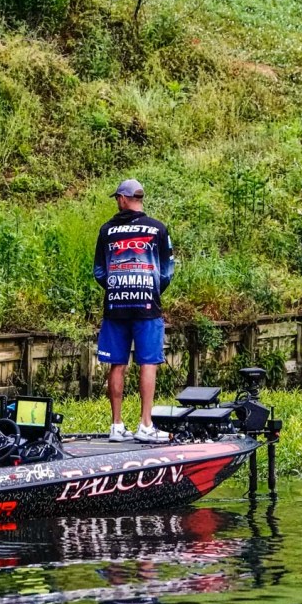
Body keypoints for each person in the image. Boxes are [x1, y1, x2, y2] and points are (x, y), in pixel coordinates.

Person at [94, 179, 175, 443]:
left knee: (118, 363)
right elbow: (167, 271)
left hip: (115, 305)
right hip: (147, 306)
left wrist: (117, 287)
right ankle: (145, 424)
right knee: (148, 362)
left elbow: (99, 272)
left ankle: (116, 425)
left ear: (122, 198)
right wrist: (149, 288)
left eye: (117, 197)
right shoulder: (158, 229)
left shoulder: (106, 231)